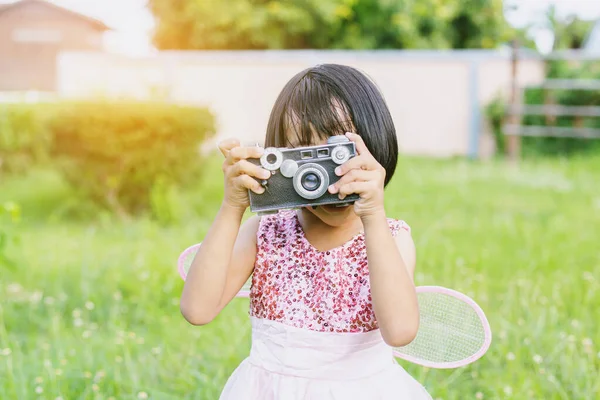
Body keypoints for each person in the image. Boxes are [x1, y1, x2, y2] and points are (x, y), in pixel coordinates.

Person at [180, 64, 432, 399]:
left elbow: (400, 331)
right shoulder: (266, 232)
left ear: (376, 145)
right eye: (305, 155)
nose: (323, 177)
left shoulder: (390, 237)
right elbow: (198, 309)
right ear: (279, 157)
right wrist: (232, 207)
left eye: (337, 152)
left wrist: (372, 215)